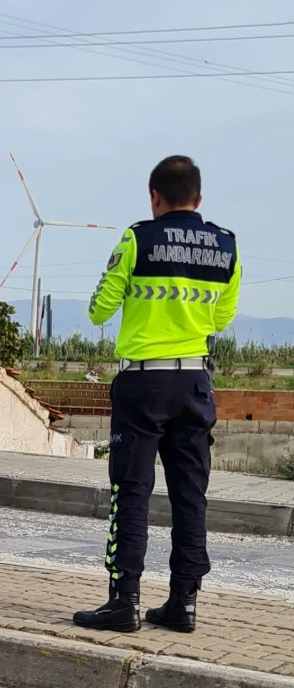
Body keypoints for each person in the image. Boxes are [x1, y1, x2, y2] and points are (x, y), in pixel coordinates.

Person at [74, 156, 240, 634]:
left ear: (154, 197)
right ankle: (183, 604)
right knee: (191, 494)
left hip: (143, 383)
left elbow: (99, 310)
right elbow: (222, 319)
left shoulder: (137, 239)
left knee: (132, 490)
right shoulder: (227, 246)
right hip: (195, 383)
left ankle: (123, 602)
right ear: (199, 199)